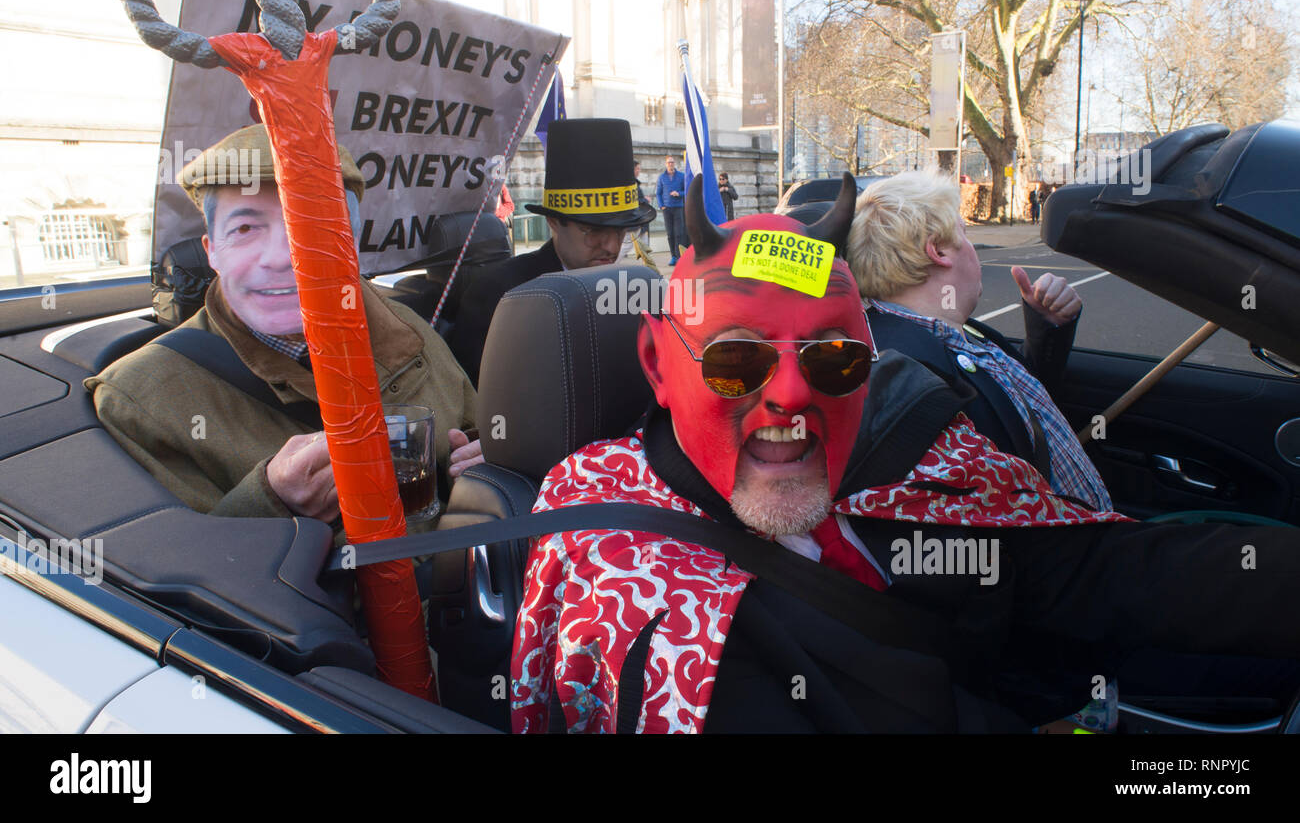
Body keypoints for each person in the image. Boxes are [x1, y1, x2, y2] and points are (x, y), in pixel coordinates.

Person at [509, 174, 1300, 733]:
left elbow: (1094, 570)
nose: (789, 394)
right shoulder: (633, 586)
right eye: (737, 359)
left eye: (833, 358)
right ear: (659, 367)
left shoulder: (906, 448)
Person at [86, 124, 482, 524]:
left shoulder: (409, 329)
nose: (281, 257)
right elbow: (163, 567)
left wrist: (481, 468)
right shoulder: (136, 401)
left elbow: (477, 434)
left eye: (315, 225)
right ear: (212, 252)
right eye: (245, 229)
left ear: (353, 244)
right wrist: (270, 502)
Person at [846, 168, 1111, 511]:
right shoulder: (905, 374)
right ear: (939, 250)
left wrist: (1047, 327)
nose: (971, 247)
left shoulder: (965, 330)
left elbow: (1015, 408)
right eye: (965, 234)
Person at [449, 118, 655, 387]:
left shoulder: (634, 290)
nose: (612, 247)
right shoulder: (502, 296)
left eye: (621, 231)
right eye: (592, 230)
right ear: (554, 222)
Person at [657, 154, 686, 264]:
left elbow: (687, 190)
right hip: (667, 209)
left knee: (679, 233)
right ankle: (673, 256)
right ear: (666, 164)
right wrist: (661, 205)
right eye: (669, 162)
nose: (671, 164)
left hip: (678, 208)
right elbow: (658, 193)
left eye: (672, 162)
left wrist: (678, 193)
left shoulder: (681, 176)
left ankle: (679, 256)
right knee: (670, 233)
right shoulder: (662, 177)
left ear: (675, 164)